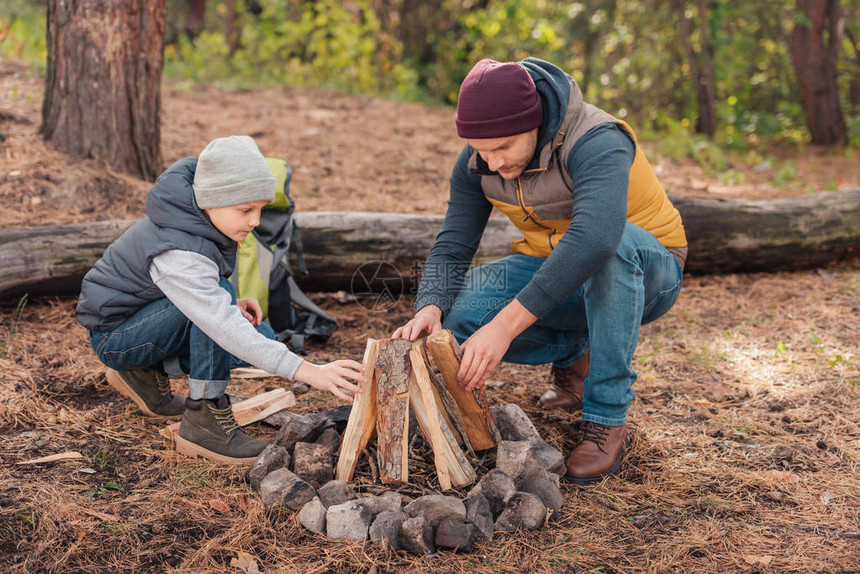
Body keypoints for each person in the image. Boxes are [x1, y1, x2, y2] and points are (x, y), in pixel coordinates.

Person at [393, 58, 687, 485]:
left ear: (535, 123)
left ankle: (606, 416)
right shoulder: (481, 156)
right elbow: (455, 240)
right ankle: (576, 355)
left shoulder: (599, 139)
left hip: (648, 269)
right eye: (481, 150)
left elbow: (596, 240)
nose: (492, 163)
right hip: (555, 267)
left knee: (613, 247)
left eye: (504, 148)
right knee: (459, 313)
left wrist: (505, 327)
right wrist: (429, 305)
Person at [76, 136, 365, 465]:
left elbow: (196, 289)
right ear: (212, 200)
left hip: (139, 321)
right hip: (116, 339)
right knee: (225, 328)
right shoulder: (178, 250)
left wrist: (232, 301)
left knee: (255, 337)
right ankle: (204, 418)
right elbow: (214, 316)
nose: (255, 221)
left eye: (259, 209)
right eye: (245, 210)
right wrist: (306, 370)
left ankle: (142, 375)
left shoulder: (195, 219)